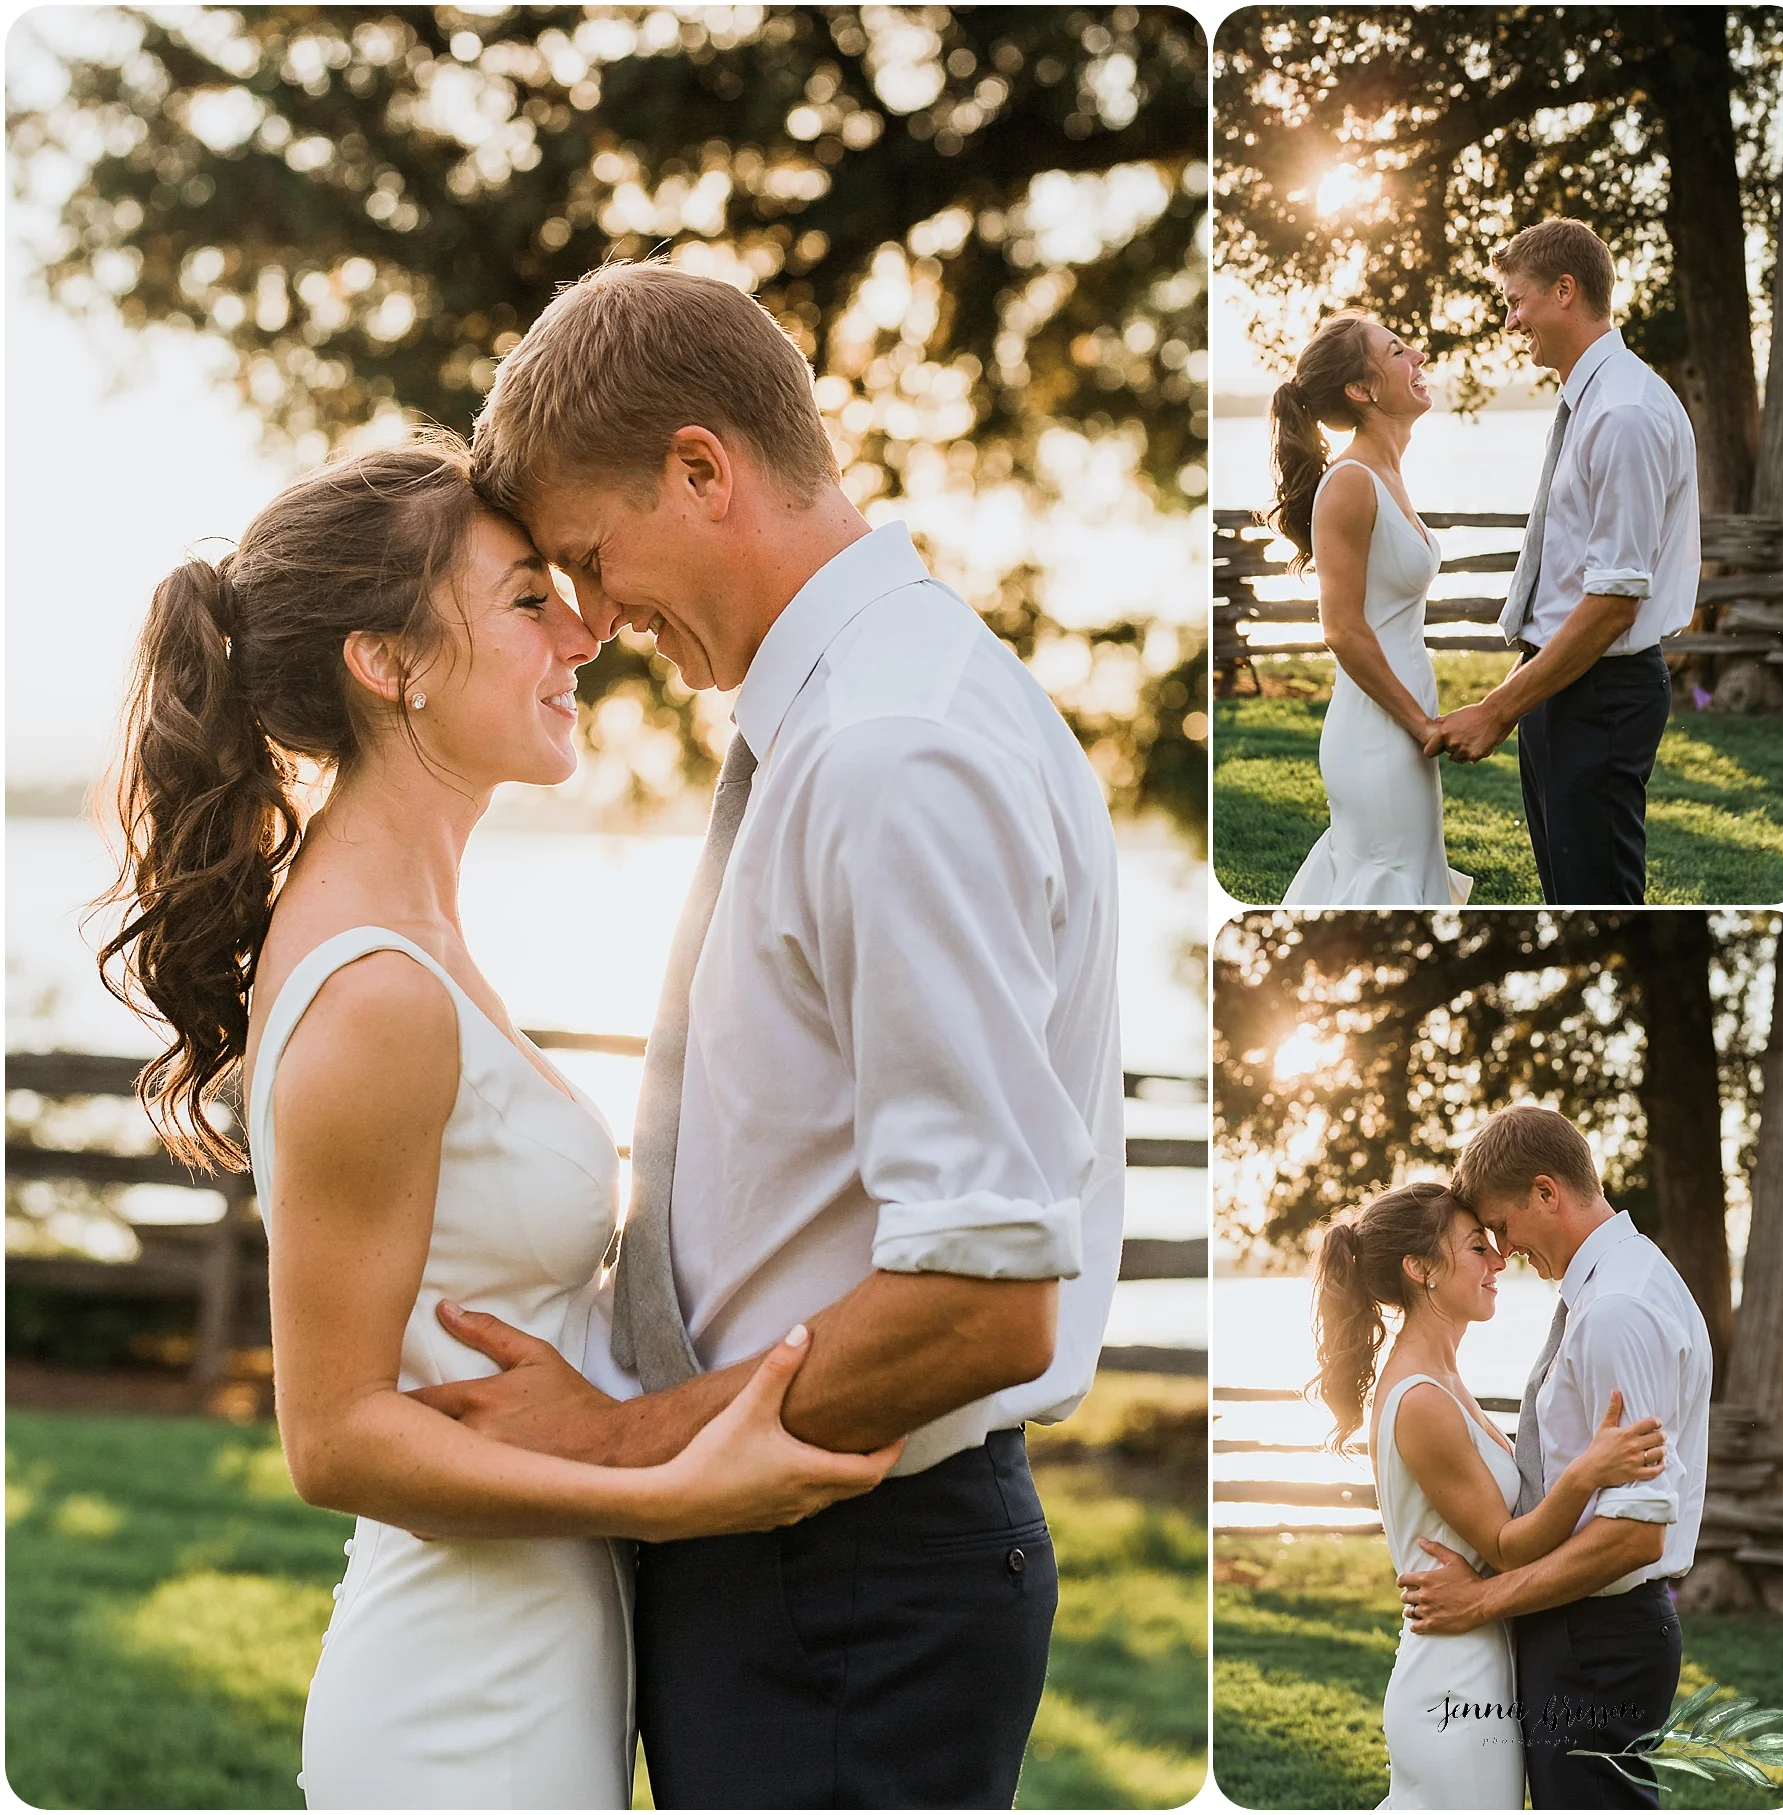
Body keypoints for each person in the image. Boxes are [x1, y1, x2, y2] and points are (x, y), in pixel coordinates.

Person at [407, 260, 1127, 1809]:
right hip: (805, 1560)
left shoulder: (889, 750)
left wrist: (616, 1445)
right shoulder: (859, 715)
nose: (590, 621)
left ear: (700, 468)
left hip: (850, 1581)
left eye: (592, 559)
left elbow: (987, 1288)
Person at [98, 435, 900, 1809]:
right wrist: (683, 1493)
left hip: (530, 1659)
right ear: (388, 662)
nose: (583, 630)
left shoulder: (410, 936)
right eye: (526, 598)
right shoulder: (374, 992)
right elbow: (334, 1437)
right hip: (461, 1709)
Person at [1313, 1180, 1668, 1808]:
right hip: (1453, 1680)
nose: (1500, 1261)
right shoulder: (1422, 1399)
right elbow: (1505, 1548)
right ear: (1420, 1269)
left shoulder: (1444, 1380)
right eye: (1477, 1247)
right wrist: (1587, 1474)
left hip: (1482, 1663)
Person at [1398, 1106, 1713, 1809]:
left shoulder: (1616, 1309)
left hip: (1595, 1638)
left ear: (1547, 1192)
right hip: (1586, 1630)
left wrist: (1481, 1600)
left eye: (1503, 1228)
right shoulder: (1618, 1285)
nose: (1503, 1255)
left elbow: (1635, 1531)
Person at [1427, 219, 1701, 905]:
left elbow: (1613, 603)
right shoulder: (1591, 402)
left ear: (1565, 291)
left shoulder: (1625, 413)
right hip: (1564, 687)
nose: (1510, 319)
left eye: (1516, 301)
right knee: (1567, 897)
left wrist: (1497, 709)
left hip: (1601, 699)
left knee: (1599, 902)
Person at [1266, 310, 1471, 905]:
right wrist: (1422, 725)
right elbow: (1343, 630)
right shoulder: (1351, 482)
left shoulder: (1386, 473)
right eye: (1399, 350)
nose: (1419, 358)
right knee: (1387, 886)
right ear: (1362, 389)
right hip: (1380, 731)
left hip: (1403, 722)